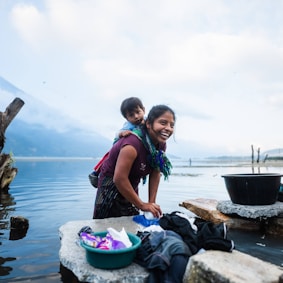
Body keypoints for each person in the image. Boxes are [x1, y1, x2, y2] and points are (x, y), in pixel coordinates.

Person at [93, 104, 175, 219]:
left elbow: (156, 172)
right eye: (163, 123)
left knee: (131, 220)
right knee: (105, 223)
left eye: (172, 125)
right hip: (110, 187)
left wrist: (151, 204)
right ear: (148, 124)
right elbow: (119, 178)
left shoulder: (160, 145)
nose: (168, 128)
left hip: (130, 184)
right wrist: (141, 205)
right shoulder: (132, 144)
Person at [88, 97, 146, 187]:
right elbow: (117, 133)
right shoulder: (128, 125)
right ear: (127, 118)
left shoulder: (148, 122)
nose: (136, 116)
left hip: (134, 150)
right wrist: (122, 133)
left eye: (138, 112)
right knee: (108, 157)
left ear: (143, 110)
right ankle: (95, 173)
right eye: (131, 115)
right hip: (121, 145)